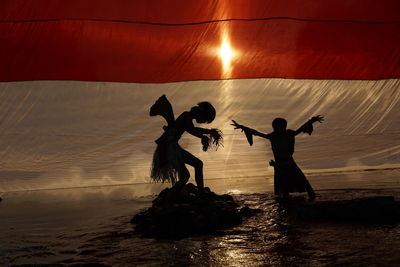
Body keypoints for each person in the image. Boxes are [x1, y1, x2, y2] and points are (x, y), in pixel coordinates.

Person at [231, 115, 324, 200]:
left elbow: (301, 128)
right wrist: (242, 127)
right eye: (275, 127)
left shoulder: (289, 133)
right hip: (279, 165)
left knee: (304, 182)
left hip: (290, 163)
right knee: (283, 187)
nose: (277, 129)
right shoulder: (272, 136)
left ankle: (312, 198)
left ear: (284, 127)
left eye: (279, 127)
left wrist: (312, 121)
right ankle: (286, 202)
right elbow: (256, 133)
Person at [150, 95, 222, 193]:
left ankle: (198, 192)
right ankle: (175, 196)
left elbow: (192, 129)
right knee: (187, 174)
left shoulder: (187, 117)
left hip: (172, 147)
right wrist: (209, 132)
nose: (203, 122)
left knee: (196, 166)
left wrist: (204, 136)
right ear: (200, 113)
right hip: (169, 149)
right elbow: (192, 130)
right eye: (204, 119)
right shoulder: (186, 116)